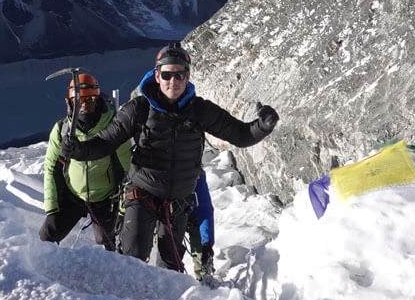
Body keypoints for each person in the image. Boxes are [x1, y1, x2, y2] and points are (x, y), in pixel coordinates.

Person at [61, 42, 279, 272]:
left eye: (179, 75)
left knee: (170, 272)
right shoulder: (139, 108)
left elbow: (241, 135)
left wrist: (262, 127)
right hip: (143, 193)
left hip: (179, 201)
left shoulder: (200, 110)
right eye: (167, 75)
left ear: (188, 76)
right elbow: (106, 141)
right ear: (157, 75)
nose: (173, 81)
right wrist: (79, 150)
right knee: (131, 260)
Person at [39, 73, 132, 251]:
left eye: (89, 99)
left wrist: (122, 207)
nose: (84, 104)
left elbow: (129, 169)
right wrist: (52, 208)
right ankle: (45, 273)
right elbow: (51, 168)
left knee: (105, 242)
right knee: (46, 236)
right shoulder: (61, 130)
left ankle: (114, 273)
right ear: (70, 101)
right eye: (79, 99)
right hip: (73, 196)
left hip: (105, 198)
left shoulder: (113, 128)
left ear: (97, 100)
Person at [187, 169, 215, 281]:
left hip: (190, 215)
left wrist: (206, 243)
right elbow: (205, 208)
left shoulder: (196, 175)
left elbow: (204, 208)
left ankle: (203, 275)